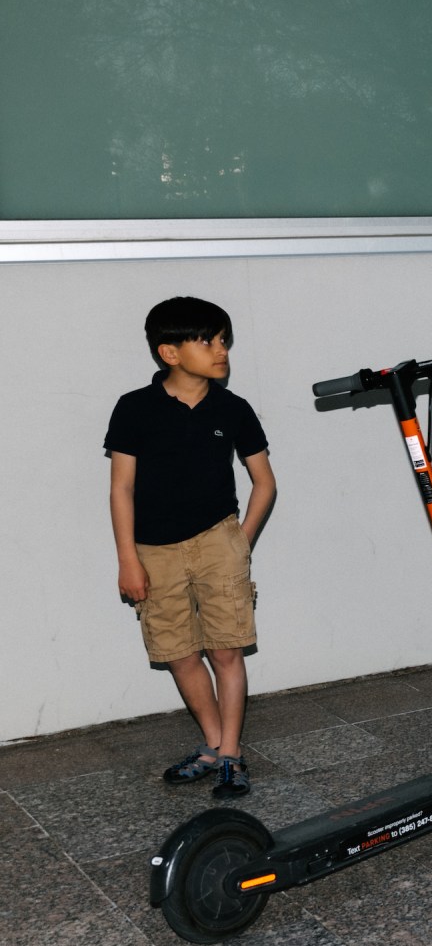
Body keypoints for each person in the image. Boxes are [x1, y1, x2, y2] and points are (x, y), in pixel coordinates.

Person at [106, 296, 276, 799]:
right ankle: (211, 744)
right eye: (207, 340)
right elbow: (121, 488)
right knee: (178, 653)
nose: (221, 350)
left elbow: (264, 482)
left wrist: (237, 543)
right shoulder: (134, 407)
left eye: (224, 340)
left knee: (226, 648)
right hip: (152, 551)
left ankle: (231, 756)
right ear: (170, 352)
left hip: (218, 540)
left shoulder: (233, 409)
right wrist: (127, 559)